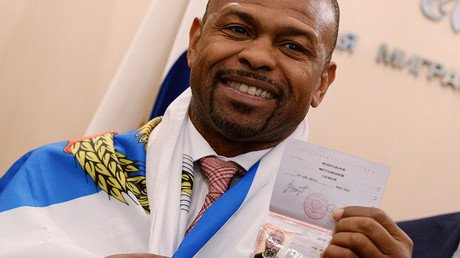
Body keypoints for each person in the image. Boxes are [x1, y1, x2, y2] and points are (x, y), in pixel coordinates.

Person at [0, 0, 413, 257]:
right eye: (238, 29)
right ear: (195, 42)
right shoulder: (50, 177)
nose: (257, 56)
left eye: (293, 46)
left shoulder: (339, 242)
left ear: (322, 82)